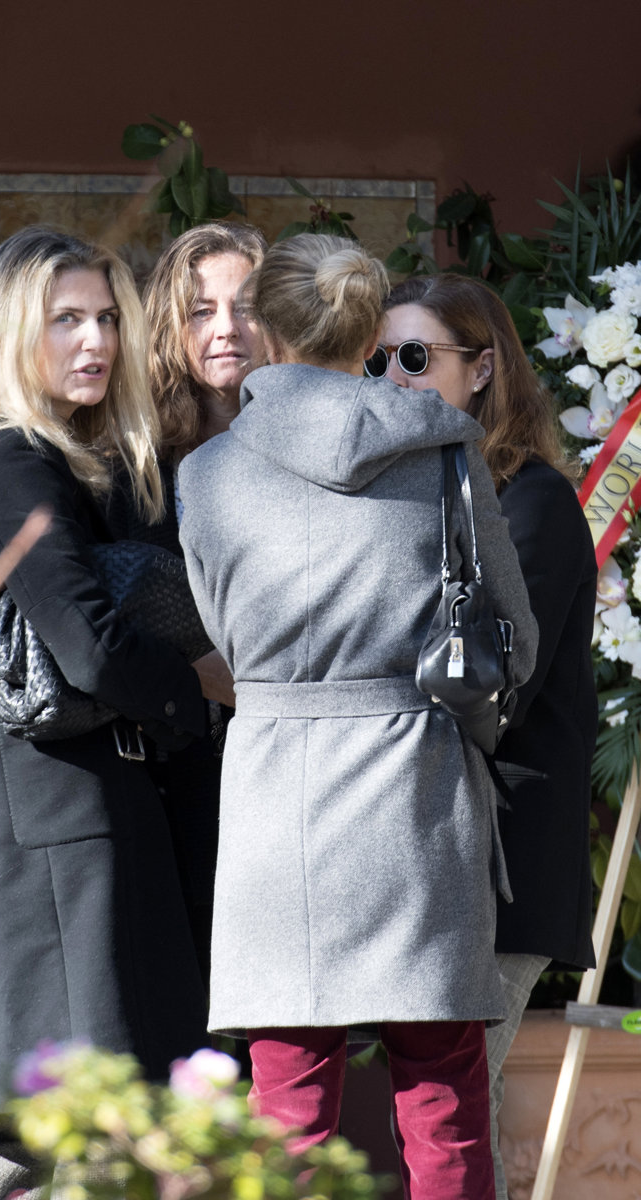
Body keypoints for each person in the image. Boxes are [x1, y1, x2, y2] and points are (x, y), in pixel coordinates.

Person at [177, 234, 539, 1200]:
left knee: (286, 1112)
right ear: (371, 332)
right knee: (444, 1104)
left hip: (273, 801)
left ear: (268, 327)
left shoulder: (206, 473)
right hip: (418, 791)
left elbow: (221, 633)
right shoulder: (444, 449)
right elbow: (513, 637)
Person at [0, 226, 212, 1199]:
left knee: (55, 1127)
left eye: (106, 318)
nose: (95, 341)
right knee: (91, 1124)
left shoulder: (38, 457)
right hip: (55, 839)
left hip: (46, 825)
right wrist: (200, 686)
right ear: (12, 331)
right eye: (65, 319)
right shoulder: (11, 460)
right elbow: (89, 647)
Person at [377, 274, 597, 1200]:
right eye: (376, 360)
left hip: (500, 859)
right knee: (447, 1119)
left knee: (458, 1113)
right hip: (427, 851)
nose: (393, 378)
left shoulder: (531, 501)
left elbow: (492, 689)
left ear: (482, 368)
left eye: (415, 357)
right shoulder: (412, 491)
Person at [107, 221, 267, 987]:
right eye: (202, 310)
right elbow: (121, 606)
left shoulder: (316, 454)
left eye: (247, 305)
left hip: (290, 772)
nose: (226, 327)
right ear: (170, 328)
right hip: (173, 773)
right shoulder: (132, 463)